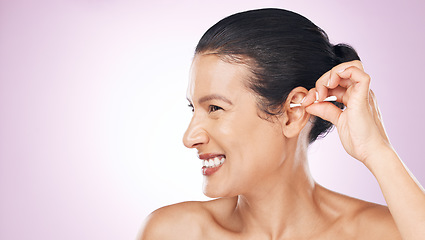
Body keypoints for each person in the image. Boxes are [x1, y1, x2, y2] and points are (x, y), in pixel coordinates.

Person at [139, 8, 425, 239]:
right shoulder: (174, 232)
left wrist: (376, 151)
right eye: (194, 108)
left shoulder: (382, 232)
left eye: (215, 107)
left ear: (292, 113)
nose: (189, 137)